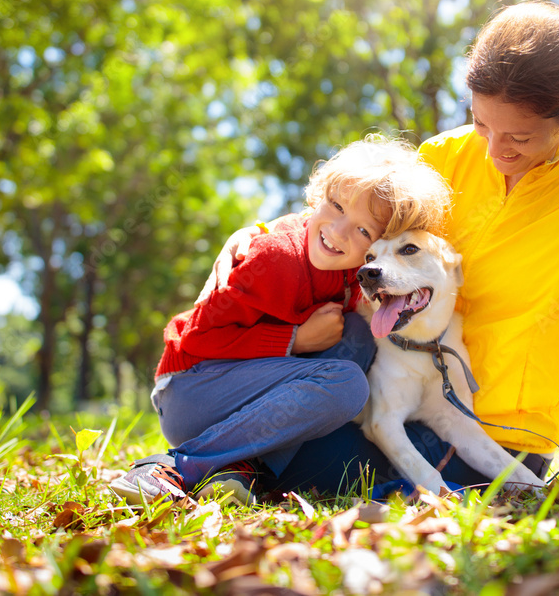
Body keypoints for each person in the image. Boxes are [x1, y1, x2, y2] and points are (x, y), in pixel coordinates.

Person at [197, 0, 559, 506]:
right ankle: (216, 465)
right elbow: (356, 224)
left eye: (519, 137)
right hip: (395, 393)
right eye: (481, 124)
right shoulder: (440, 158)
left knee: (325, 464)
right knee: (308, 417)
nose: (495, 150)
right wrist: (259, 235)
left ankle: (232, 466)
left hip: (498, 433)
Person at [110, 137, 452, 505]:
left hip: (247, 395)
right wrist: (294, 340)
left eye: (363, 230)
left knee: (356, 335)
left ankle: (243, 467)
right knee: (347, 385)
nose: (337, 231)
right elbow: (195, 340)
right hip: (190, 389)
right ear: (318, 195)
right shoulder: (275, 258)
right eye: (335, 205)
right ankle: (177, 466)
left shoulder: (354, 274)